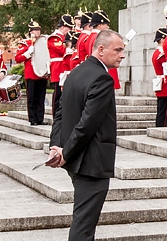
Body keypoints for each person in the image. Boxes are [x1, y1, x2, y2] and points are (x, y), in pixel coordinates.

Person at [47, 29, 125, 241]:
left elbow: (59, 113)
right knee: (83, 226)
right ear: (101, 50)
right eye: (117, 50)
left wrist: (57, 146)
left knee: (83, 222)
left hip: (78, 161)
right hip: (91, 162)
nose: (122, 55)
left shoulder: (76, 72)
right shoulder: (102, 78)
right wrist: (65, 152)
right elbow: (88, 124)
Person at [15, 19, 48, 126]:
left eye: (38, 30)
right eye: (35, 30)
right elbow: (18, 58)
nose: (37, 32)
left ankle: (40, 118)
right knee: (32, 97)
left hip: (42, 74)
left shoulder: (43, 42)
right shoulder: (25, 43)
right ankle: (32, 118)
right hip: (31, 74)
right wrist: (28, 53)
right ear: (30, 31)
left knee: (41, 97)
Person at [47, 14, 75, 117]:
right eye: (69, 27)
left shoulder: (66, 37)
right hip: (58, 68)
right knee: (57, 96)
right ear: (62, 27)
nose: (70, 30)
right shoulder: (54, 37)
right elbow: (62, 50)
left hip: (66, 68)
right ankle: (56, 116)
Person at [86, 10, 121, 90]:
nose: (108, 27)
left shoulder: (89, 37)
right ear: (100, 25)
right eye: (106, 24)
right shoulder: (100, 37)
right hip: (103, 70)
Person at [151, 27, 167, 127]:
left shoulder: (158, 52)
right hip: (164, 83)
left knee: (163, 110)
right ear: (162, 39)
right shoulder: (161, 54)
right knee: (163, 110)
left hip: (162, 82)